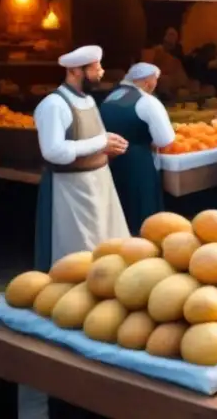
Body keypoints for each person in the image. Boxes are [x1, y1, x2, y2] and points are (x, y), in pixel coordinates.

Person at [34, 46, 130, 271]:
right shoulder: (54, 105)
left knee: (107, 244)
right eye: (96, 68)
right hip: (71, 189)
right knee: (78, 254)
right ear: (76, 71)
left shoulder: (88, 100)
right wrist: (101, 143)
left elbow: (93, 138)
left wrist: (108, 147)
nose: (102, 72)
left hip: (100, 183)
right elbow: (53, 151)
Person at [100, 63, 176, 234]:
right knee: (143, 212)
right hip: (139, 162)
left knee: (120, 209)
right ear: (148, 81)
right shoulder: (148, 101)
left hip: (110, 161)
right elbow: (165, 139)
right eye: (156, 80)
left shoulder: (110, 98)